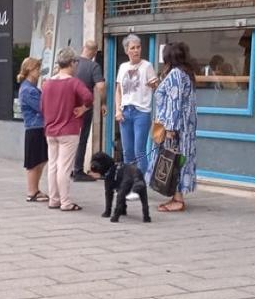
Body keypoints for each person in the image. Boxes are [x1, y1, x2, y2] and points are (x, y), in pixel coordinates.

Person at [39, 47, 92, 212]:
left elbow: (41, 107)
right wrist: (83, 108)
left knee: (53, 166)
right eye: (76, 63)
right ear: (72, 63)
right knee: (64, 167)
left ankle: (53, 199)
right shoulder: (73, 82)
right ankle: (65, 202)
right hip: (68, 130)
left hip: (50, 130)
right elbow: (88, 97)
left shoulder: (47, 83)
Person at [149, 41, 198, 213]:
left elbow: (174, 102)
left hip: (175, 129)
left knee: (174, 161)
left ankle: (178, 199)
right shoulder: (186, 73)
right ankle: (176, 195)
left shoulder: (176, 74)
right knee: (178, 160)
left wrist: (170, 128)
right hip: (184, 126)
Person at [114, 34, 157, 175]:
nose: (136, 50)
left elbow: (156, 86)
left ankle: (141, 182)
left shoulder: (147, 66)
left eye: (138, 47)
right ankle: (129, 181)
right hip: (125, 111)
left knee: (140, 151)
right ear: (126, 50)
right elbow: (118, 90)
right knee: (127, 151)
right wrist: (118, 110)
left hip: (141, 112)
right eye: (132, 48)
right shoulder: (123, 67)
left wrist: (155, 84)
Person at [71, 40, 107, 182]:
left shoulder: (72, 63)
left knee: (69, 138)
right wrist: (103, 103)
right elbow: (101, 86)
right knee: (82, 139)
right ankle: (78, 170)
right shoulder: (93, 66)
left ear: (83, 48)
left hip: (69, 107)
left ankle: (68, 169)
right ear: (94, 52)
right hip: (84, 107)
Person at [17, 57, 49, 203]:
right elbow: (42, 107)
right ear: (30, 70)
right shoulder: (28, 90)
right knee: (34, 162)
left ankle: (35, 189)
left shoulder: (31, 87)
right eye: (37, 68)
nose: (39, 71)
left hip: (38, 127)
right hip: (34, 128)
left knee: (40, 160)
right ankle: (31, 192)